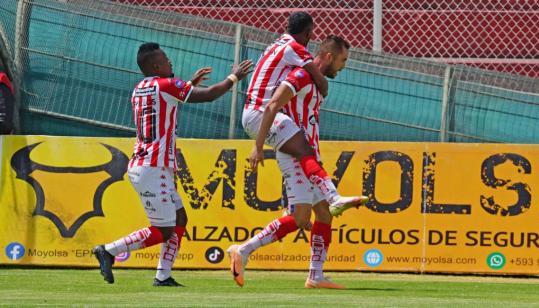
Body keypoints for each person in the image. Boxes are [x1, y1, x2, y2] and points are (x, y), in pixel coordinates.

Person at [92, 42, 253, 286]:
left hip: (151, 165)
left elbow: (166, 101)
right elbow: (208, 96)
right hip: (152, 166)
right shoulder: (166, 85)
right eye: (166, 59)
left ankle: (163, 275)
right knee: (164, 230)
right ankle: (109, 250)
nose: (170, 63)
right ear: (156, 65)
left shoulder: (139, 88)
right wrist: (234, 77)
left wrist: (188, 86)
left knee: (179, 219)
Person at [229, 35, 353, 289]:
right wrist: (259, 144)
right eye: (343, 60)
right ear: (329, 56)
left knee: (322, 216)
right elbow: (273, 105)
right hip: (296, 153)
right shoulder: (299, 76)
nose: (344, 65)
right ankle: (243, 250)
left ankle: (316, 275)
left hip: (307, 153)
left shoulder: (316, 80)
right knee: (300, 217)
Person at [242, 11, 366, 216]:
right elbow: (318, 76)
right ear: (308, 32)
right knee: (305, 151)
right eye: (343, 60)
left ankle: (295, 206)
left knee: (307, 210)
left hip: (258, 113)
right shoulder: (295, 49)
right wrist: (258, 147)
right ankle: (333, 197)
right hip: (262, 113)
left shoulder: (276, 44)